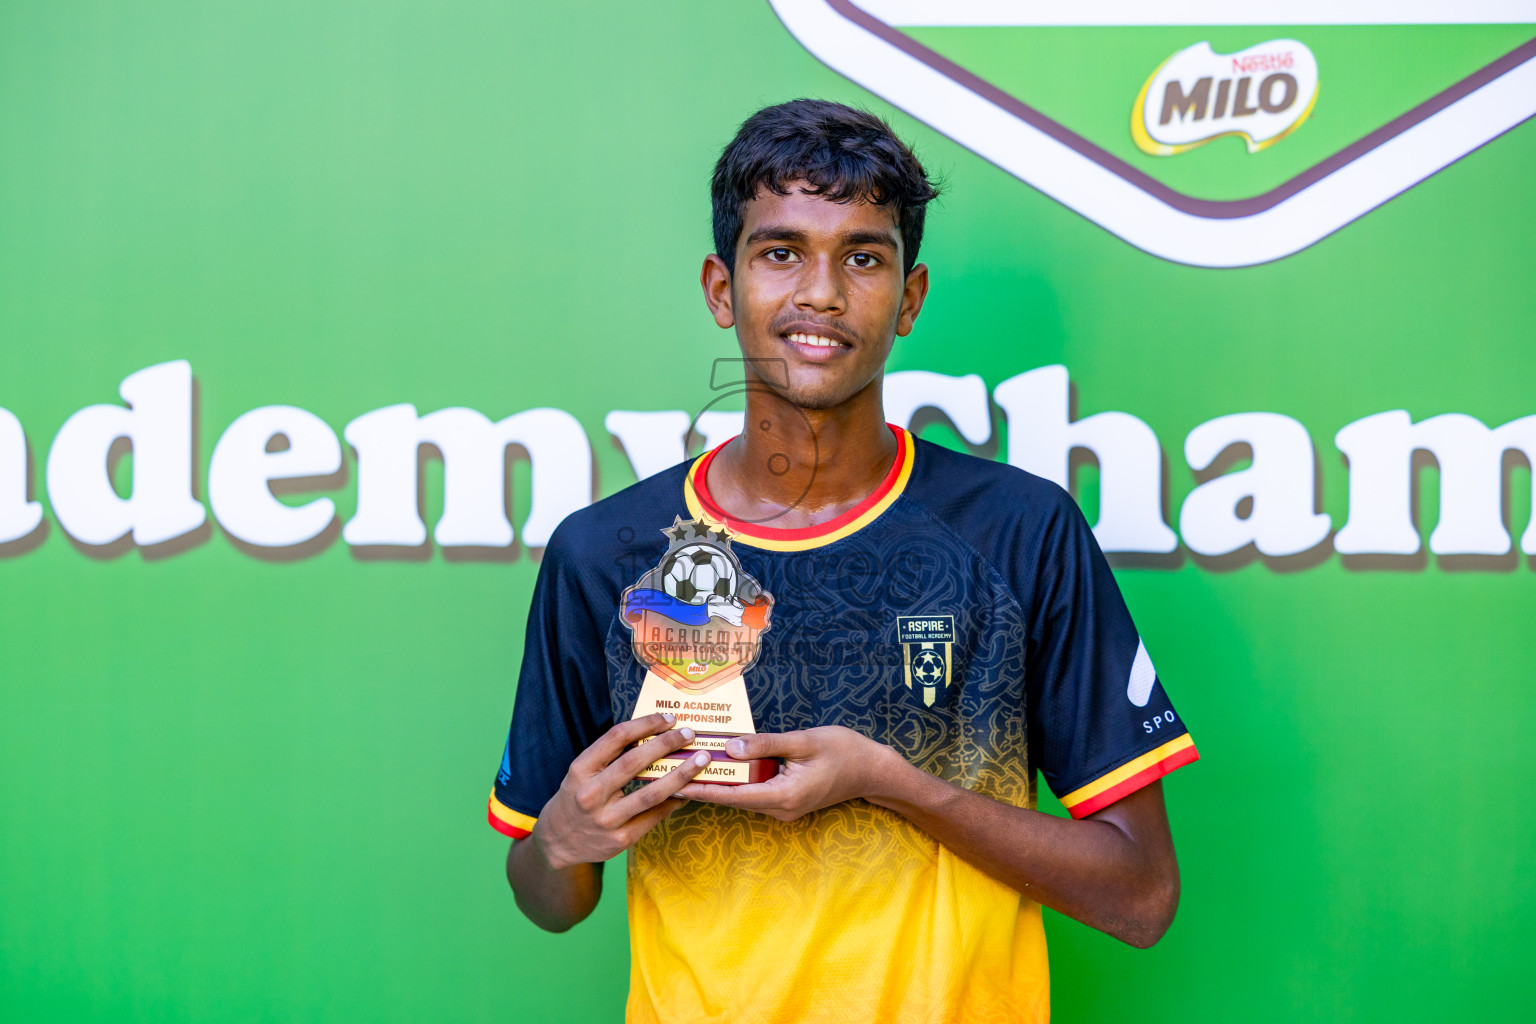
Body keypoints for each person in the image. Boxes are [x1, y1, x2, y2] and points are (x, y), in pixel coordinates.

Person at [488, 98, 1198, 1023]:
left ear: (908, 298)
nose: (820, 292)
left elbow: (1141, 898)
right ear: (720, 288)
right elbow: (549, 898)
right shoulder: (605, 553)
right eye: (780, 252)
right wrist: (560, 842)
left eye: (862, 256)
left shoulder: (1020, 532)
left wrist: (894, 784)